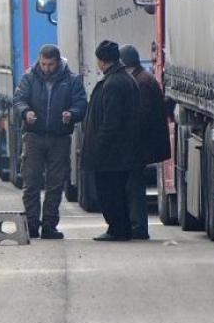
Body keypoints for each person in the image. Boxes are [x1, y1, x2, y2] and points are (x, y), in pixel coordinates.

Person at [12, 45, 87, 239]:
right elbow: (19, 99)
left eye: (50, 64)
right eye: (43, 64)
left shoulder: (71, 80)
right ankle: (31, 224)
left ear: (58, 61)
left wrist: (71, 114)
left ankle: (49, 225)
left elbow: (80, 104)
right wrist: (25, 111)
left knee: (55, 184)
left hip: (59, 138)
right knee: (31, 182)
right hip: (33, 137)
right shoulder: (29, 77)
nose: (46, 68)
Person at [82, 40, 140, 242]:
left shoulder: (114, 83)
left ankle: (116, 228)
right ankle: (122, 228)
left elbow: (111, 121)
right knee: (118, 191)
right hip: (121, 150)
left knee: (109, 192)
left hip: (111, 153)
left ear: (102, 61)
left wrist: (98, 146)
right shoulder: (124, 78)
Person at [120, 45, 171, 240]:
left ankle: (138, 227)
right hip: (142, 144)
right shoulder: (144, 78)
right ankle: (137, 225)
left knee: (134, 187)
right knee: (134, 186)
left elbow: (140, 116)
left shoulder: (140, 83)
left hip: (139, 145)